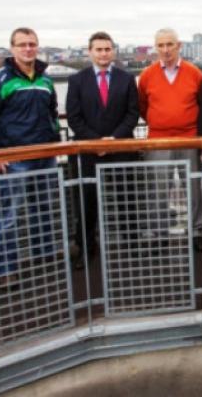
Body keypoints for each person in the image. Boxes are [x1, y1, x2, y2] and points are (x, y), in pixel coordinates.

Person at [0, 27, 61, 286]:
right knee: (10, 215)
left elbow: (52, 114)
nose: (28, 48)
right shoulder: (1, 79)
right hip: (16, 158)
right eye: (22, 44)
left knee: (42, 210)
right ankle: (6, 269)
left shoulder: (45, 80)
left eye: (32, 44)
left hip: (45, 155)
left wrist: (55, 142)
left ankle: (45, 259)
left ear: (37, 47)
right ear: (12, 48)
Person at [65, 31, 139, 269]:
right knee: (87, 203)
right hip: (89, 151)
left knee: (127, 200)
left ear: (113, 51)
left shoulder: (126, 79)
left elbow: (132, 113)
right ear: (90, 52)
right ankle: (87, 249)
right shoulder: (77, 80)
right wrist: (97, 142)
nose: (103, 53)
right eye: (99, 49)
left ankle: (131, 247)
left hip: (121, 148)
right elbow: (74, 118)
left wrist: (113, 139)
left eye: (107, 49)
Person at [138, 28, 202, 245]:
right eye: (161, 45)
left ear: (179, 46)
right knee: (158, 188)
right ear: (155, 47)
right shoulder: (147, 75)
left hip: (189, 137)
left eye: (170, 45)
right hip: (158, 139)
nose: (166, 50)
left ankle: (196, 230)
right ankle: (159, 234)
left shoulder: (194, 73)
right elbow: (142, 106)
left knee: (193, 187)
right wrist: (161, 122)